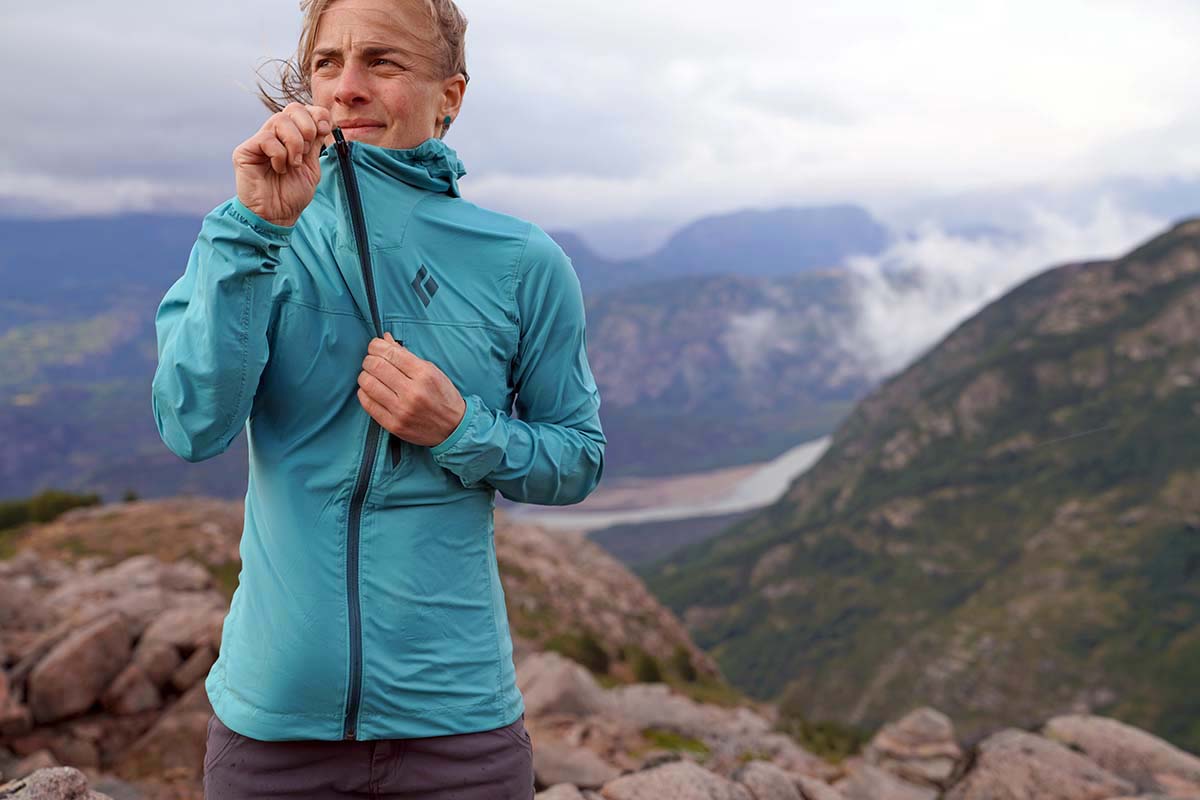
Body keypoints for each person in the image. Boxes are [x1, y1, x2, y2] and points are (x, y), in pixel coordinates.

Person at [150, 0, 606, 796]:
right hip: (273, 734)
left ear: (450, 96)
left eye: (383, 63)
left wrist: (463, 429)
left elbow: (577, 457)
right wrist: (253, 230)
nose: (347, 88)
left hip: (460, 735)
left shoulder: (523, 261)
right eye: (328, 64)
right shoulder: (250, 237)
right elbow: (192, 425)